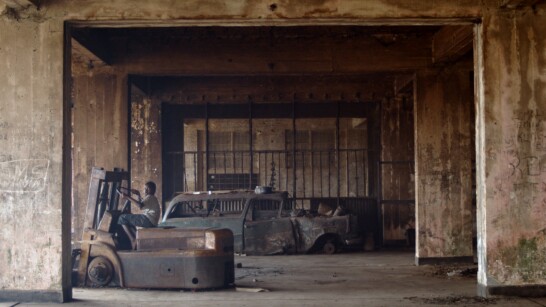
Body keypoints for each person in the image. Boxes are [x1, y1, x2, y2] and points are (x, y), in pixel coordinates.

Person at [117, 181, 160, 250]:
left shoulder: (150, 197)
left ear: (153, 190)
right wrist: (138, 195)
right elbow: (142, 203)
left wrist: (127, 197)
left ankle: (132, 239)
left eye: (148, 188)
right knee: (130, 218)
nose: (145, 190)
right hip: (151, 221)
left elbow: (140, 205)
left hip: (148, 220)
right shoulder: (151, 198)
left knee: (122, 218)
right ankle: (136, 237)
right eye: (145, 188)